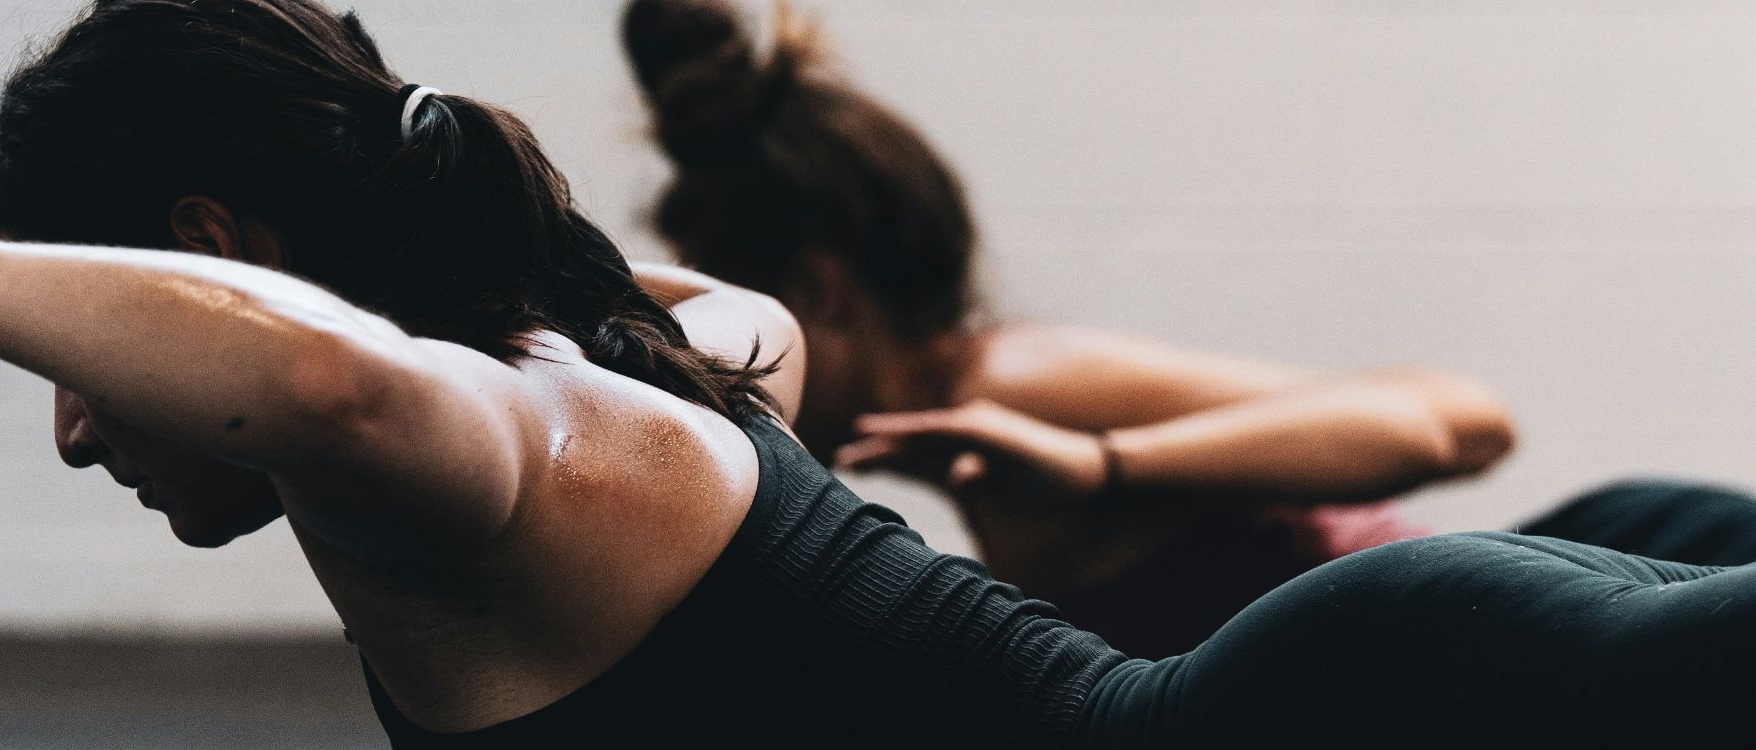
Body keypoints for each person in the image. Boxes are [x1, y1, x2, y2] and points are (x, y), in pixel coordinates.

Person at [0, 0, 1756, 750]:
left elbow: (330, 379)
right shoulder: (662, 349)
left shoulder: (485, 444)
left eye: (77, 349)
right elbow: (541, 312)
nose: (85, 425)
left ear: (208, 258)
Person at [622, 0, 1756, 659]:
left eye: (738, 323)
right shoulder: (982, 448)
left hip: (1579, 604)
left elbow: (1460, 422)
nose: (728, 373)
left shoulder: (1023, 383)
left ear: (821, 291)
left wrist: (1105, 467)